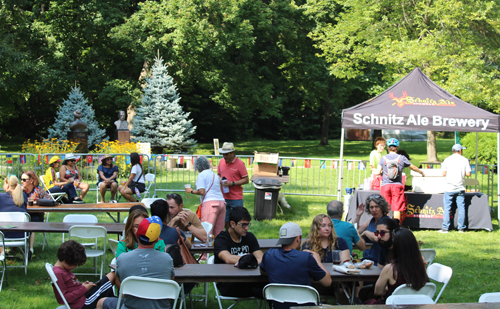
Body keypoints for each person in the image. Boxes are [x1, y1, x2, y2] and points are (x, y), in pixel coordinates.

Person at [102, 216, 175, 309]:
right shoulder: (167, 259)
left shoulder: (122, 259)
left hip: (130, 306)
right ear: (157, 239)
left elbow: (122, 283)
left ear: (137, 235)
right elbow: (170, 285)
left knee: (101, 302)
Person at [260, 222, 332, 309]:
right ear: (298, 239)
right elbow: (327, 282)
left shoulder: (269, 255)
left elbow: (263, 272)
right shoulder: (306, 257)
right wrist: (317, 261)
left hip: (278, 306)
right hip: (305, 307)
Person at [364, 228, 428, 304]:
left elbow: (378, 292)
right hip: (416, 304)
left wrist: (388, 290)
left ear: (396, 247)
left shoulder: (390, 268)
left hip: (393, 305)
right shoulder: (421, 264)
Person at [214, 207, 265, 298]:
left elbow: (261, 258)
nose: (247, 228)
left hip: (250, 279)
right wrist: (251, 261)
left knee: (271, 283)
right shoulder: (221, 239)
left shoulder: (250, 237)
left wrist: (251, 261)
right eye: (243, 225)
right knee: (263, 290)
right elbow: (228, 258)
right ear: (232, 224)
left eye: (248, 224)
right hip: (228, 282)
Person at [51, 240, 116, 309]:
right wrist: (84, 289)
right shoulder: (59, 273)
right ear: (65, 260)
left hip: (83, 297)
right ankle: (124, 304)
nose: (75, 266)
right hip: (84, 303)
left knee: (114, 275)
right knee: (114, 276)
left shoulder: (63, 269)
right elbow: (62, 299)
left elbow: (71, 287)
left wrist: (82, 285)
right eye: (75, 264)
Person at [376, 138, 424, 221]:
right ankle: (396, 227)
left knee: (385, 207)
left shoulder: (383, 158)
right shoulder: (402, 158)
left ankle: (384, 226)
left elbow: (377, 172)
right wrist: (421, 172)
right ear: (397, 147)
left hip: (385, 185)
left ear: (388, 147)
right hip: (397, 185)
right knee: (396, 208)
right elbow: (413, 167)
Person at [185, 156, 225, 237]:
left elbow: (201, 191)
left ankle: (206, 249)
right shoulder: (215, 175)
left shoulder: (201, 175)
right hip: (222, 203)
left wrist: (191, 191)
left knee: (206, 232)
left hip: (210, 204)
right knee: (219, 233)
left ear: (197, 166)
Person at [439, 144, 472, 233]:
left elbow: (443, 173)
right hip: (460, 187)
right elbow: (468, 174)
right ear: (460, 151)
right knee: (461, 208)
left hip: (449, 187)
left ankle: (445, 227)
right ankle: (461, 227)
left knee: (447, 208)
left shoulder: (447, 159)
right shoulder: (464, 160)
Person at [217, 142, 249, 227]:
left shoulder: (240, 164)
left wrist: (233, 183)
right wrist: (220, 180)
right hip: (223, 197)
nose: (224, 156)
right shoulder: (221, 162)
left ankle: (237, 238)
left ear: (232, 153)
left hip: (236, 198)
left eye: (226, 154)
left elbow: (246, 180)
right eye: (223, 154)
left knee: (237, 222)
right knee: (224, 221)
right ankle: (228, 237)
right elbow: (218, 175)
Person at [352, 194, 389, 266]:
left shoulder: (386, 221)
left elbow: (377, 237)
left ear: (382, 207)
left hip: (378, 262)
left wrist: (366, 233)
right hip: (367, 261)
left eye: (376, 207)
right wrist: (358, 215)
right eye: (371, 207)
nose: (374, 210)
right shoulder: (371, 220)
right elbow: (355, 230)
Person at [21, 171, 52, 257]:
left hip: (36, 216)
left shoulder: (39, 190)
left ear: (31, 180)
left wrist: (38, 203)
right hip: (23, 215)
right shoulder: (19, 189)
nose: (21, 182)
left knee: (30, 225)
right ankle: (15, 247)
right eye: (21, 179)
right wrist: (19, 191)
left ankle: (30, 250)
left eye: (24, 179)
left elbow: (50, 200)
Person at [0, 175, 28, 257]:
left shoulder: (1, 197)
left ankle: (2, 250)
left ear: (7, 185)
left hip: (3, 233)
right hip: (22, 233)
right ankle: (27, 250)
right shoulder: (23, 196)